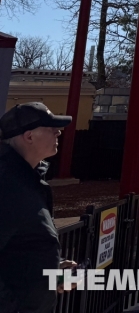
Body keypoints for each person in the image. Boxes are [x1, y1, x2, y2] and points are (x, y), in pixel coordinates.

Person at [0, 102, 75, 313]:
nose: (58, 132)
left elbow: (20, 246)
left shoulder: (28, 179)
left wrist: (53, 269)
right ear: (29, 136)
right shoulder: (7, 184)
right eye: (50, 128)